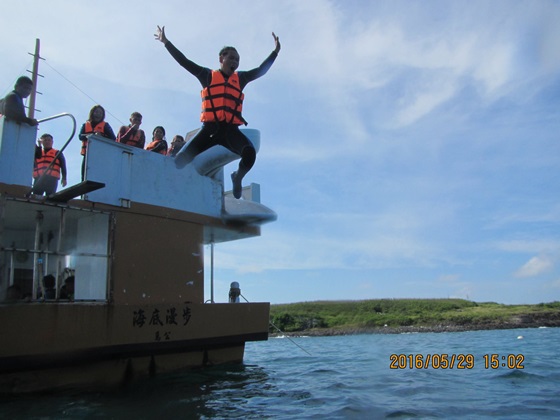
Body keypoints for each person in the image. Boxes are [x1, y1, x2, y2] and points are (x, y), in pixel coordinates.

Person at [155, 25, 281, 199]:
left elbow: (261, 70)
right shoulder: (207, 76)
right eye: (232, 58)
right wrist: (166, 42)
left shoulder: (241, 78)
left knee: (250, 153)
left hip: (230, 132)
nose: (235, 62)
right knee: (179, 161)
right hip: (209, 131)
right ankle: (177, 190)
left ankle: (238, 177)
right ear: (221, 58)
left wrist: (275, 52)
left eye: (238, 60)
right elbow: (184, 62)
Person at [78, 105, 116, 179]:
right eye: (96, 112)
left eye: (100, 113)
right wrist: (91, 135)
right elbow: (80, 136)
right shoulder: (85, 125)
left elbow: (113, 138)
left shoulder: (105, 126)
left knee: (99, 174)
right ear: (92, 113)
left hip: (100, 154)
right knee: (84, 175)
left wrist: (101, 136)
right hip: (87, 154)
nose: (98, 114)